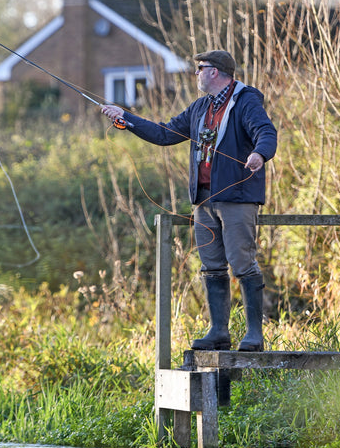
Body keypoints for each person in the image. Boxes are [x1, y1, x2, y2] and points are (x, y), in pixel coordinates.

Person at [101, 50, 277, 352]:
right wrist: (125, 119)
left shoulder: (246, 100)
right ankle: (219, 333)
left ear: (215, 72)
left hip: (236, 197)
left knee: (243, 263)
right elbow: (163, 134)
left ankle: (253, 336)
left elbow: (266, 131)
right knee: (211, 267)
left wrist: (259, 154)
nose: (196, 73)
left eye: (200, 68)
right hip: (203, 200)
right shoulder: (199, 108)